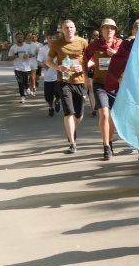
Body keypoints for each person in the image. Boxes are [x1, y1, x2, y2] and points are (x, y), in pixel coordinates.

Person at [105, 19, 139, 176]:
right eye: (138, 29)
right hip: (133, 90)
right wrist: (121, 79)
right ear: (133, 32)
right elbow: (117, 65)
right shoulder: (127, 46)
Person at [47, 20, 89, 154]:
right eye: (66, 27)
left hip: (79, 81)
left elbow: (90, 60)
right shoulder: (56, 44)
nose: (69, 29)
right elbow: (48, 61)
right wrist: (58, 67)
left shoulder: (82, 42)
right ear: (63, 30)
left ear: (75, 29)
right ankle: (72, 143)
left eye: (71, 27)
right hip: (63, 81)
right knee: (68, 112)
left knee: (79, 114)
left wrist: (81, 67)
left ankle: (71, 128)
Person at [83, 19, 122, 160]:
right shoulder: (95, 45)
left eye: (112, 28)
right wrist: (86, 76)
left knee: (112, 117)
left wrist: (115, 55)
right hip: (100, 84)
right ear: (101, 30)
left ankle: (109, 141)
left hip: (116, 85)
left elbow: (128, 61)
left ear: (115, 31)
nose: (109, 30)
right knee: (104, 114)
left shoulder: (120, 45)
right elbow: (84, 60)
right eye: (106, 28)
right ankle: (106, 146)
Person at [37, 32, 61, 117]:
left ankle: (57, 101)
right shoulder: (43, 49)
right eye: (50, 38)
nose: (51, 40)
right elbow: (39, 61)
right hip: (48, 76)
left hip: (58, 76)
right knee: (48, 96)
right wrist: (44, 65)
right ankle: (50, 108)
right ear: (47, 39)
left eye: (53, 38)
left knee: (58, 93)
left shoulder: (59, 48)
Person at [8, 32, 32, 104]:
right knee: (20, 83)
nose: (20, 38)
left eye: (21, 37)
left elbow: (32, 54)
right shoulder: (13, 47)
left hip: (26, 68)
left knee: (25, 82)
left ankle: (27, 87)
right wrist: (14, 57)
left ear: (23, 38)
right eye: (18, 37)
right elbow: (9, 57)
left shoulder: (27, 46)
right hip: (17, 68)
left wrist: (28, 56)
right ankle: (22, 96)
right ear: (16, 38)